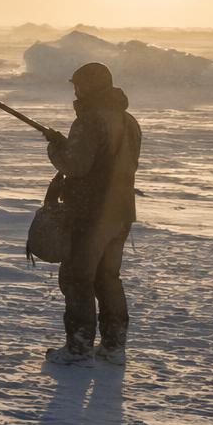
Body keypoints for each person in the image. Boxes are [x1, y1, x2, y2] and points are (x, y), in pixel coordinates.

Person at [42, 62, 141, 366]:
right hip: (121, 213)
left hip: (91, 215)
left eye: (78, 85)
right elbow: (114, 162)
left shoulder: (89, 121)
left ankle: (78, 348)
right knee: (107, 278)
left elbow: (76, 166)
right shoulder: (128, 121)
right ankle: (113, 346)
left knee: (77, 278)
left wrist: (56, 149)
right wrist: (68, 145)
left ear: (89, 87)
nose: (75, 91)